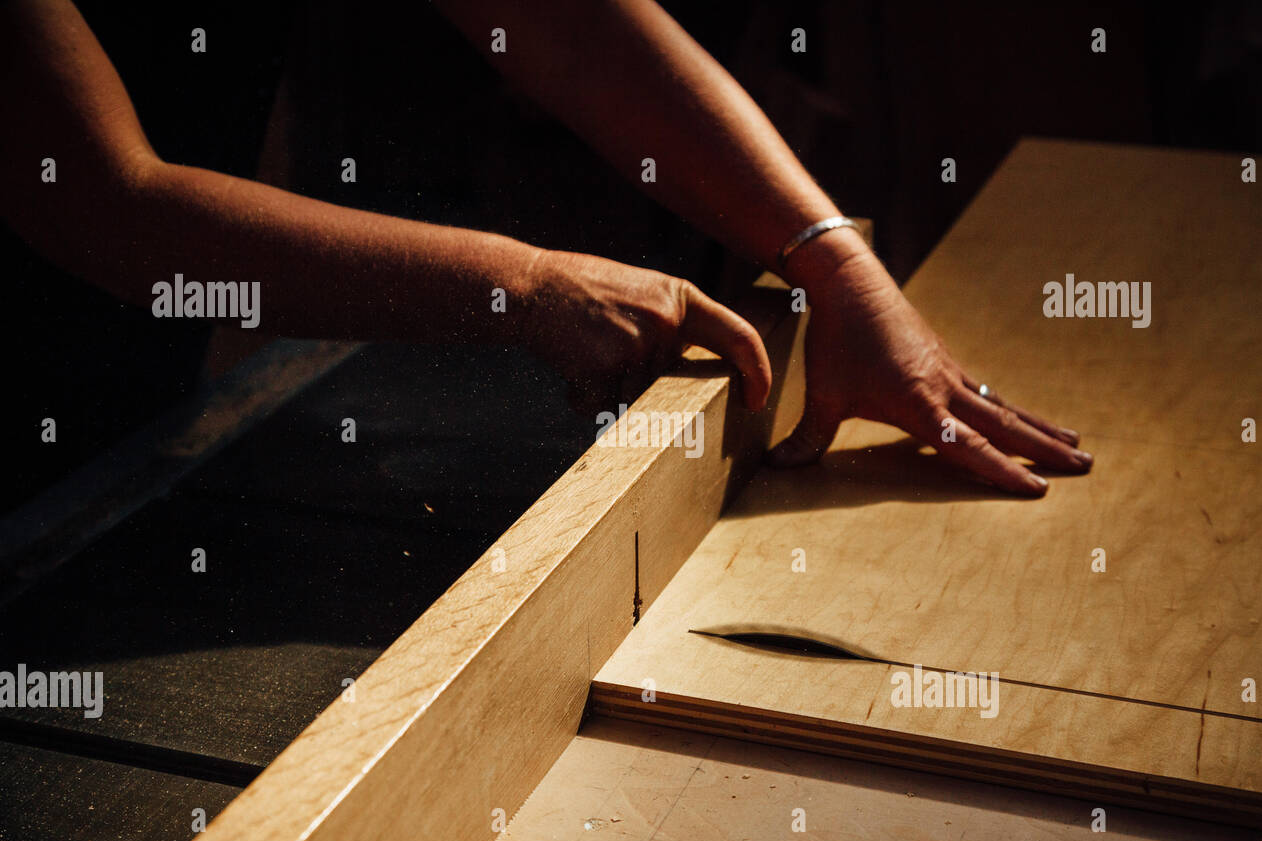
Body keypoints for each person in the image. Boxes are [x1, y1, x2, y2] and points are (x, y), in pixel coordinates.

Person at [1, 0, 1091, 498]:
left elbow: (567, 26)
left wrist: (829, 259)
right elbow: (103, 201)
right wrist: (520, 284)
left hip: (129, 397)